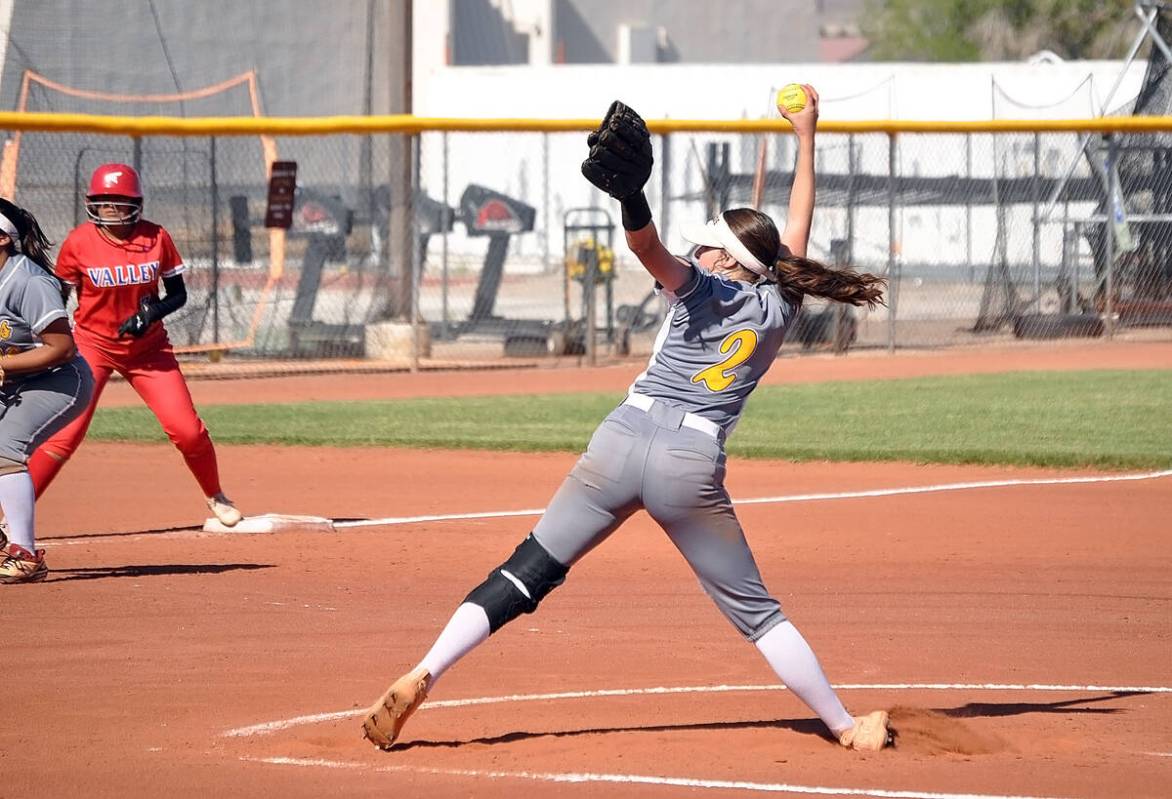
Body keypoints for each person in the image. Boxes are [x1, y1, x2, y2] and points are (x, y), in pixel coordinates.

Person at [362, 89, 892, 751]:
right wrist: (807, 136)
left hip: (619, 440)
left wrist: (632, 194)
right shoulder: (781, 303)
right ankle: (845, 724)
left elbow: (645, 246)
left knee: (525, 569)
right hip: (688, 464)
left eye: (708, 246)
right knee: (758, 614)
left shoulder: (701, 285)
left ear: (729, 261)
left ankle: (424, 671)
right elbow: (797, 231)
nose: (697, 251)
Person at [25, 163, 242, 527]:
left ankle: (215, 494)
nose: (112, 208)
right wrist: (46, 338)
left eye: (120, 201)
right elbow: (57, 298)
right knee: (66, 434)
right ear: (92, 203)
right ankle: (10, 520)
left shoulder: (156, 237)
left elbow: (178, 294)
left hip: (149, 350)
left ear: (136, 204)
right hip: (91, 346)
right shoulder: (78, 242)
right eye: (105, 201)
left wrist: (151, 313)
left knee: (188, 430)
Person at [0, 198, 94, 583]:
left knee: (4, 447)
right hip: (16, 379)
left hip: (59, 380)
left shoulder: (27, 281)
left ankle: (25, 553)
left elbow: (62, 348)